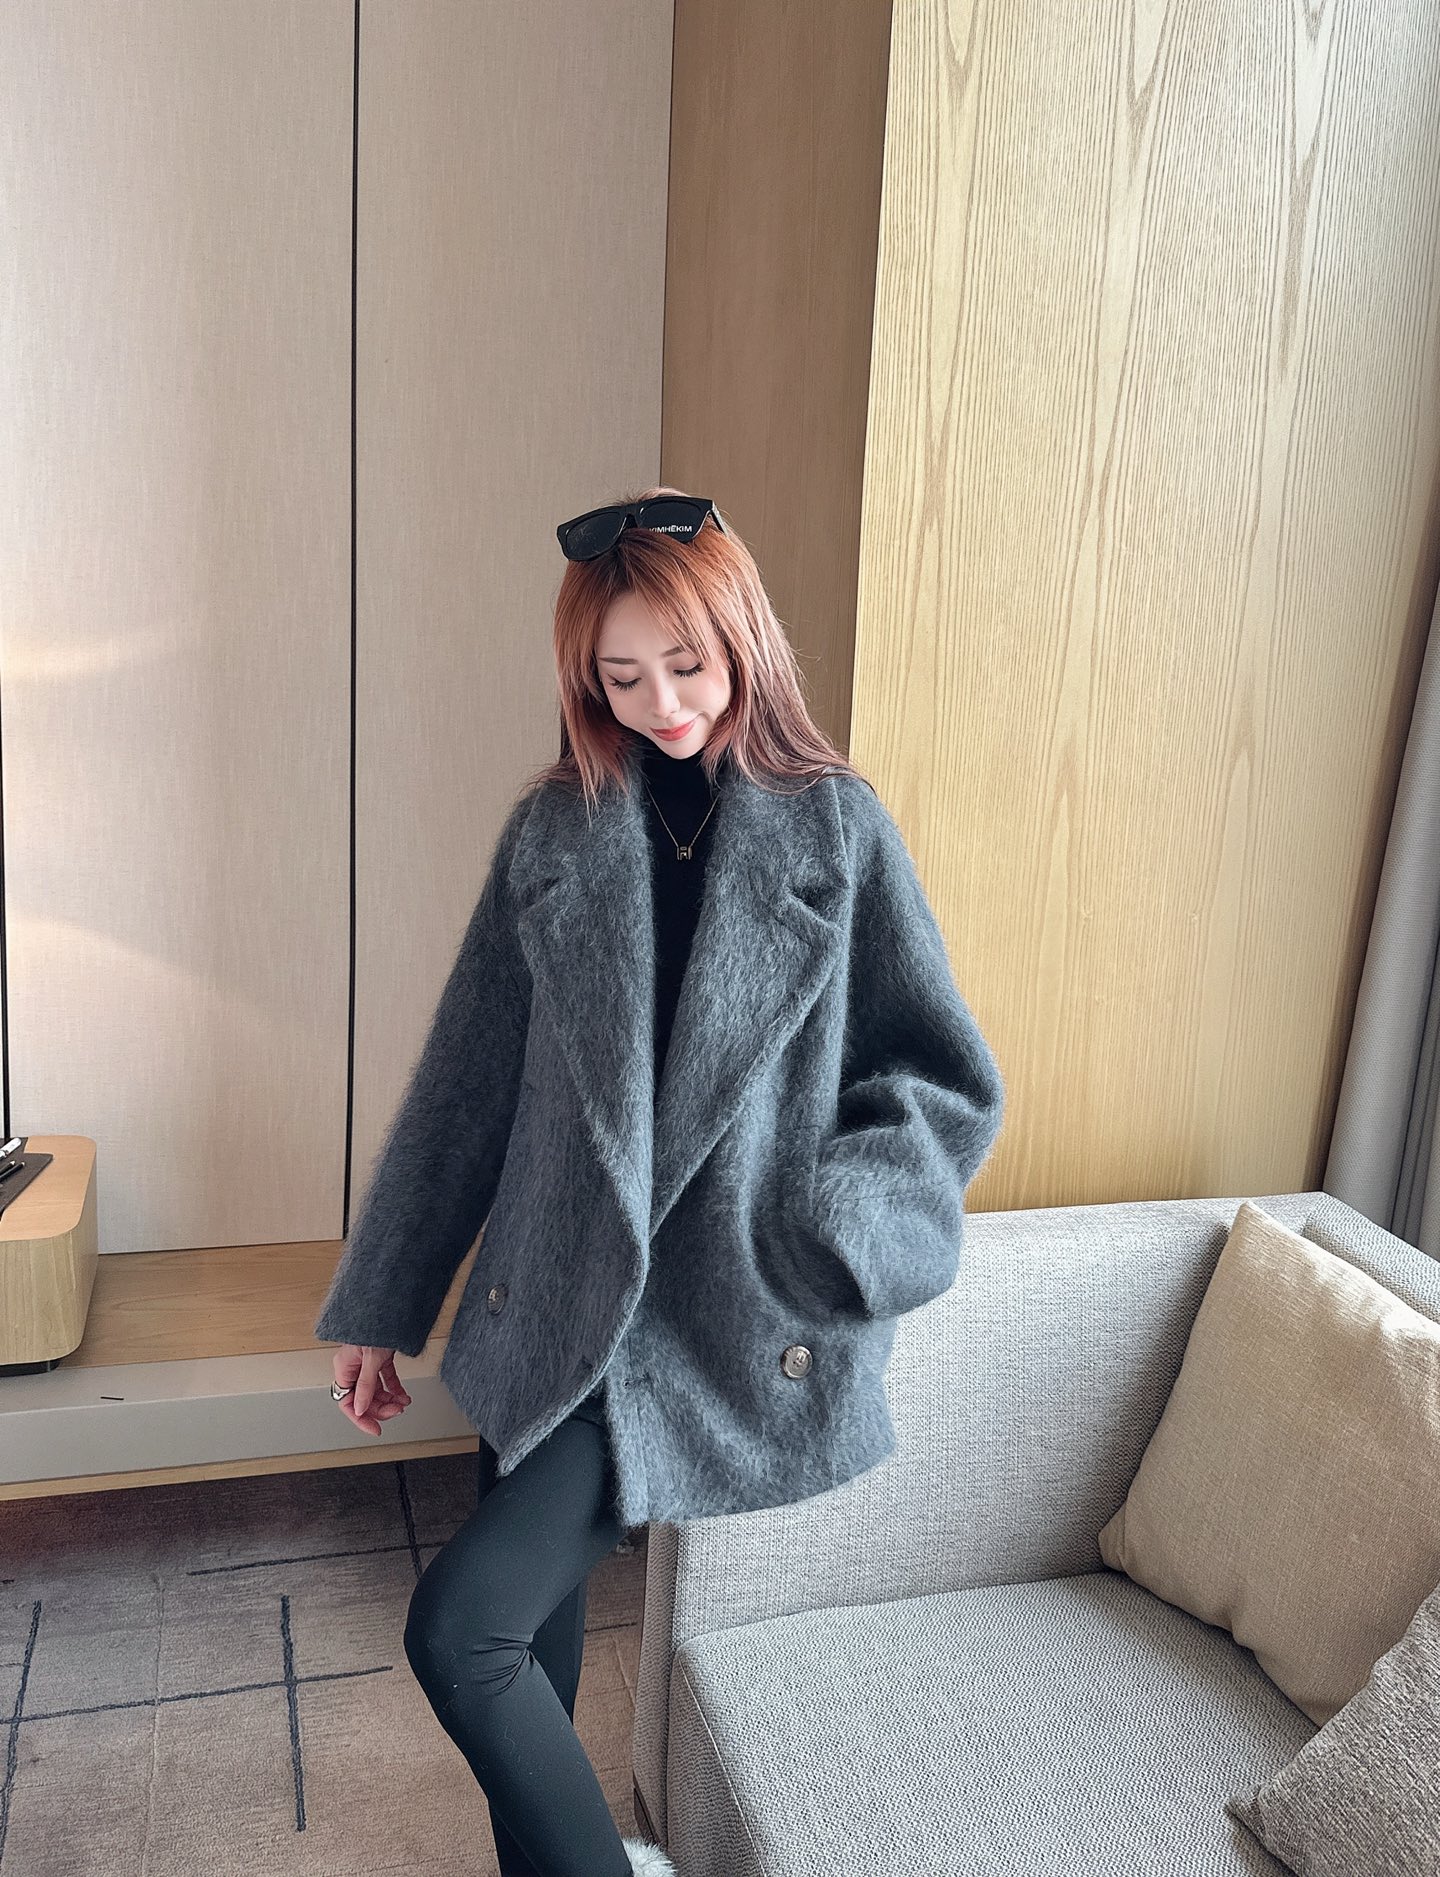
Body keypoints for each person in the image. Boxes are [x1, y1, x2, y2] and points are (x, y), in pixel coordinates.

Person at [320, 487, 1006, 1877]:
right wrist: (382, 1302)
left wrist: (835, 1228)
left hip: (713, 1311)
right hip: (549, 1297)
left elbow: (941, 1078)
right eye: (620, 678)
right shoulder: (554, 834)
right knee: (532, 1667)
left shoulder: (838, 832)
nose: (661, 705)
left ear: (742, 638)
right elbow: (464, 1086)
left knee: (463, 1633)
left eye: (686, 666)